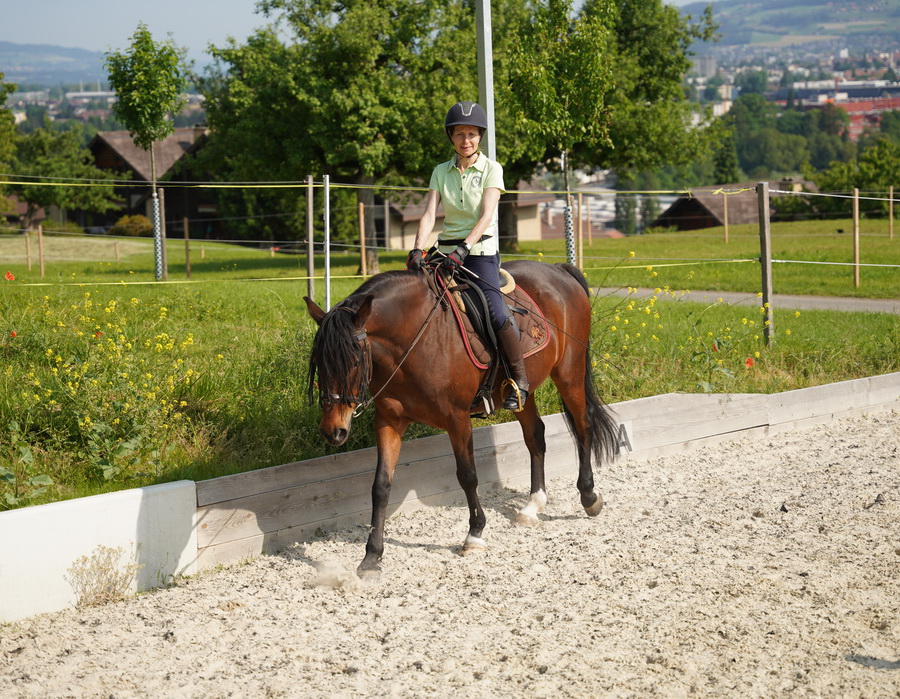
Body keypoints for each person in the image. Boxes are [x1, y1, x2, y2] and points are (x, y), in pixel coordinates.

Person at [406, 100, 529, 412]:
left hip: (479, 253)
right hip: (445, 253)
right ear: (451, 137)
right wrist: (419, 249)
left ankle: (519, 380)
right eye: (460, 134)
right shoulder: (440, 172)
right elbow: (429, 214)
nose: (466, 140)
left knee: (497, 313)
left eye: (472, 134)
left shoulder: (492, 169)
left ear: (480, 137)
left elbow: (487, 215)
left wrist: (464, 248)